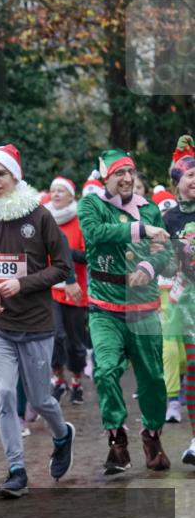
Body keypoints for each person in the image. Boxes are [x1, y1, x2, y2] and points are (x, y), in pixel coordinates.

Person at [0, 144, 76, 498]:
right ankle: (16, 470)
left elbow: (62, 267)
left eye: (1, 174)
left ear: (16, 176)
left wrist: (21, 284)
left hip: (37, 322)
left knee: (41, 400)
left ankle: (62, 434)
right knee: (6, 392)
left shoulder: (39, 217)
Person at [78, 149, 172, 473]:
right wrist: (141, 231)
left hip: (144, 307)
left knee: (153, 378)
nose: (127, 178)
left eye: (130, 172)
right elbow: (96, 234)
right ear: (106, 177)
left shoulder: (150, 209)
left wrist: (148, 264)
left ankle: (152, 434)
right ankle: (117, 439)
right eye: (119, 172)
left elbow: (165, 252)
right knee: (105, 371)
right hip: (105, 307)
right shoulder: (92, 205)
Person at [161, 135, 195, 465]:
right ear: (177, 183)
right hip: (182, 299)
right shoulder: (169, 218)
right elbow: (165, 262)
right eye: (190, 175)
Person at [45, 176, 88, 405]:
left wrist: (65, 251)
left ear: (72, 196)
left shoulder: (80, 221)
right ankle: (59, 379)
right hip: (50, 291)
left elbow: (88, 256)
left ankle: (77, 382)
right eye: (53, 191)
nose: (56, 194)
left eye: (61, 191)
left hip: (75, 291)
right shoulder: (44, 219)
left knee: (74, 342)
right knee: (55, 336)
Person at [152, 183, 185, 424]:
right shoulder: (150, 237)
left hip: (185, 297)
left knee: (183, 354)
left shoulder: (184, 234)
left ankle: (182, 388)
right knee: (169, 347)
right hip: (161, 302)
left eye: (168, 212)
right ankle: (172, 399)